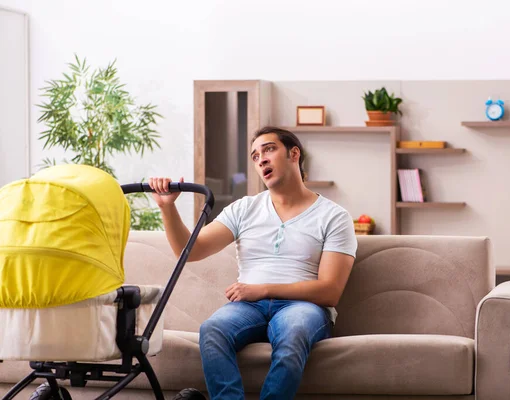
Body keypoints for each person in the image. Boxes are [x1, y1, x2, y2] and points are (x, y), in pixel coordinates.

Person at [148, 126, 357, 400]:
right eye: (255, 156)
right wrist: (167, 207)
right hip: (248, 307)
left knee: (293, 333)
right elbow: (191, 251)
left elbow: (330, 291)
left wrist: (264, 289)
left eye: (269, 149)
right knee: (212, 330)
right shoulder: (243, 209)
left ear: (294, 154)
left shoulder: (334, 216)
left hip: (303, 307)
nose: (261, 159)